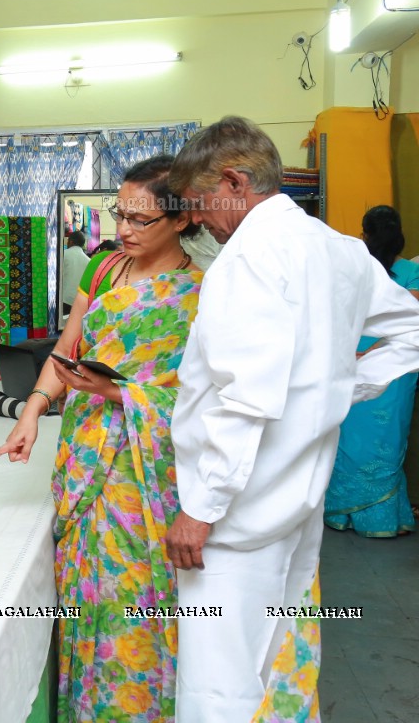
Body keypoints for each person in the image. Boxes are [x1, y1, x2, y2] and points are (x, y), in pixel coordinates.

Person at [164, 117, 419, 723]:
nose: (199, 221)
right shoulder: (341, 251)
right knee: (273, 658)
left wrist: (201, 509)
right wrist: (337, 388)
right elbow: (412, 327)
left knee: (218, 679)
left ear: (234, 180)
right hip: (301, 498)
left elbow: (244, 397)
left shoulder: (246, 259)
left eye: (201, 204)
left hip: (237, 508)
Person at [0, 155, 203, 723]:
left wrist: (116, 395)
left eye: (140, 220)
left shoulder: (202, 294)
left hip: (144, 470)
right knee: (84, 591)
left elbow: (203, 402)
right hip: (84, 454)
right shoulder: (104, 271)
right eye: (119, 215)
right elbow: (67, 350)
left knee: (132, 597)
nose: (124, 231)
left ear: (181, 220)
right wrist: (32, 411)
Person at [326, 205, 419, 537]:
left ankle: (340, 514)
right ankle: (380, 520)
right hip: (395, 367)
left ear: (364, 233)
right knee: (387, 440)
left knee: (348, 437)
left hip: (352, 360)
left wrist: (360, 350)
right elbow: (409, 322)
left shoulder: (354, 269)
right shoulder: (411, 271)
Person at [61, 230, 90, 315]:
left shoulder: (63, 254)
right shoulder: (88, 261)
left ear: (71, 241)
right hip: (79, 300)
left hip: (63, 299)